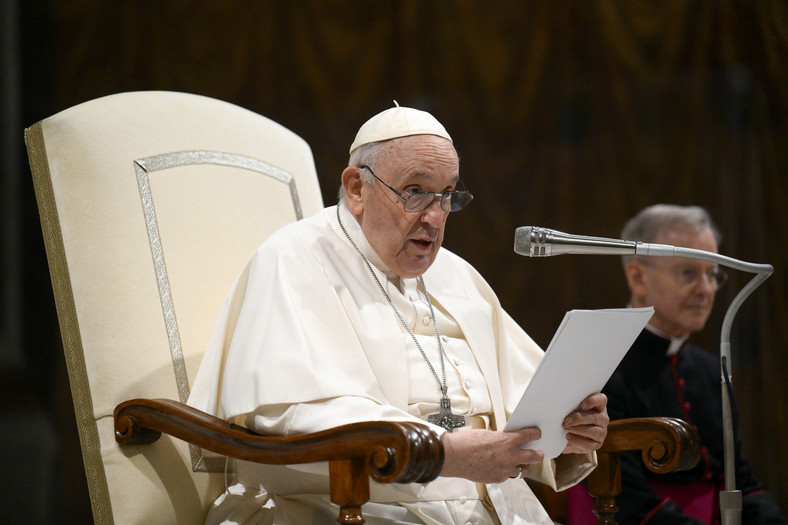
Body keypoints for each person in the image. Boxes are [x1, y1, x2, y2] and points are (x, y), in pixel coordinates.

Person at [188, 104, 610, 524]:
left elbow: (523, 398)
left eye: (447, 197)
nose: (434, 216)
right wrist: (440, 452)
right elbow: (289, 413)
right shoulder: (294, 257)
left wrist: (568, 427)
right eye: (415, 191)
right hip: (356, 505)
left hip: (496, 506)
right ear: (357, 189)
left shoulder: (456, 273)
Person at [601, 204, 787, 524]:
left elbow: (738, 479)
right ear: (637, 277)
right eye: (688, 272)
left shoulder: (710, 368)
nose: (705, 289)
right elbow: (626, 498)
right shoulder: (601, 365)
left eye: (713, 274)